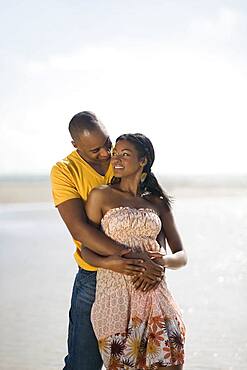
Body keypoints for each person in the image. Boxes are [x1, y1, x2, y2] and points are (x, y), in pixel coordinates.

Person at [50, 112, 165, 370]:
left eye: (107, 144)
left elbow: (147, 207)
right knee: (84, 363)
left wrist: (156, 261)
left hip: (140, 279)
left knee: (139, 362)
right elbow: (81, 230)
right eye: (95, 150)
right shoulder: (64, 171)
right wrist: (135, 257)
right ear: (75, 146)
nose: (105, 154)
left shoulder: (120, 159)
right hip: (94, 277)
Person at [81, 133, 187, 370]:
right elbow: (86, 251)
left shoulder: (157, 202)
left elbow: (181, 255)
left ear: (143, 161)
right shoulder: (101, 195)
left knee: (170, 364)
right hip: (115, 299)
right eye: (115, 154)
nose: (116, 159)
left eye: (125, 155)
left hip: (157, 296)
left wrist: (163, 262)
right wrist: (112, 264)